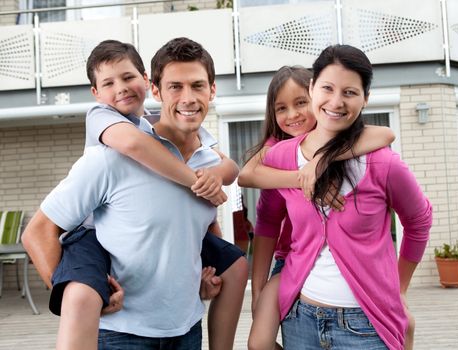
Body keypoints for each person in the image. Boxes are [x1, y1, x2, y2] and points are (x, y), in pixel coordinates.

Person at [22, 37, 247, 350]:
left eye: (197, 85)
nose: (188, 98)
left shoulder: (211, 164)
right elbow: (38, 232)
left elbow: (199, 229)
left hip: (187, 332)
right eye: (175, 87)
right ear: (155, 89)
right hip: (119, 335)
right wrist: (78, 298)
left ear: (212, 89)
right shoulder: (110, 155)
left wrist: (203, 277)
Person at [255, 45, 432, 350]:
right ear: (313, 89)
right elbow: (263, 212)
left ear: (365, 98)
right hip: (300, 321)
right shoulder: (282, 156)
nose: (336, 102)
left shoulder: (383, 163)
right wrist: (260, 291)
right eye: (327, 88)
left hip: (365, 325)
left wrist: (399, 288)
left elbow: (419, 221)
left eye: (350, 92)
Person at [238, 66, 396, 350]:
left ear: (315, 96)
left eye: (300, 103)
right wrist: (257, 288)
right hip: (290, 260)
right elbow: (263, 214)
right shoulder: (277, 151)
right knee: (259, 343)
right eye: (281, 108)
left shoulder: (345, 138)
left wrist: (322, 161)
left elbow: (385, 133)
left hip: (346, 268)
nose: (293, 115)